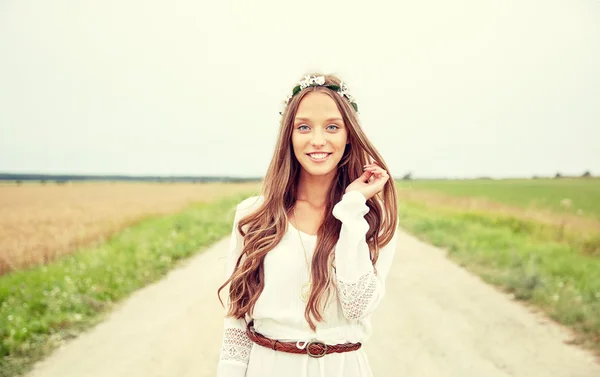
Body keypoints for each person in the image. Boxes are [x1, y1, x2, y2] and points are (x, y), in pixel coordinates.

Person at [216, 73, 399, 377]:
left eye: (332, 127)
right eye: (303, 127)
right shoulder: (254, 214)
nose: (317, 140)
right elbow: (236, 318)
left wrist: (352, 208)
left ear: (349, 135)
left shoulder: (370, 217)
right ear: (288, 136)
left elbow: (357, 305)